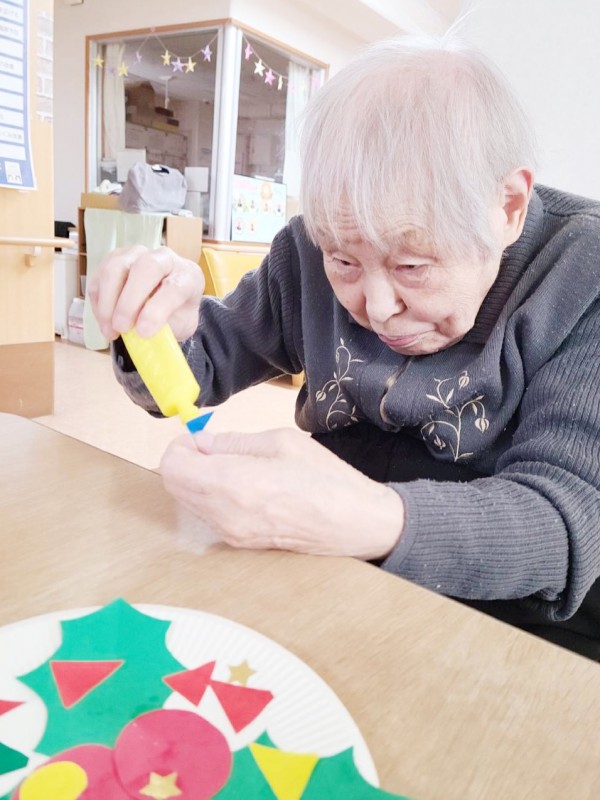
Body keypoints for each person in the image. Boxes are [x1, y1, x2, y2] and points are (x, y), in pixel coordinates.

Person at [89, 34, 600, 660]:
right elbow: (200, 370)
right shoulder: (308, 250)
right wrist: (161, 326)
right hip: (327, 575)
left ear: (508, 207)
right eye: (344, 261)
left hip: (509, 620)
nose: (375, 308)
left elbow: (560, 526)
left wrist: (361, 517)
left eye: (412, 266)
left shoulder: (583, 275)